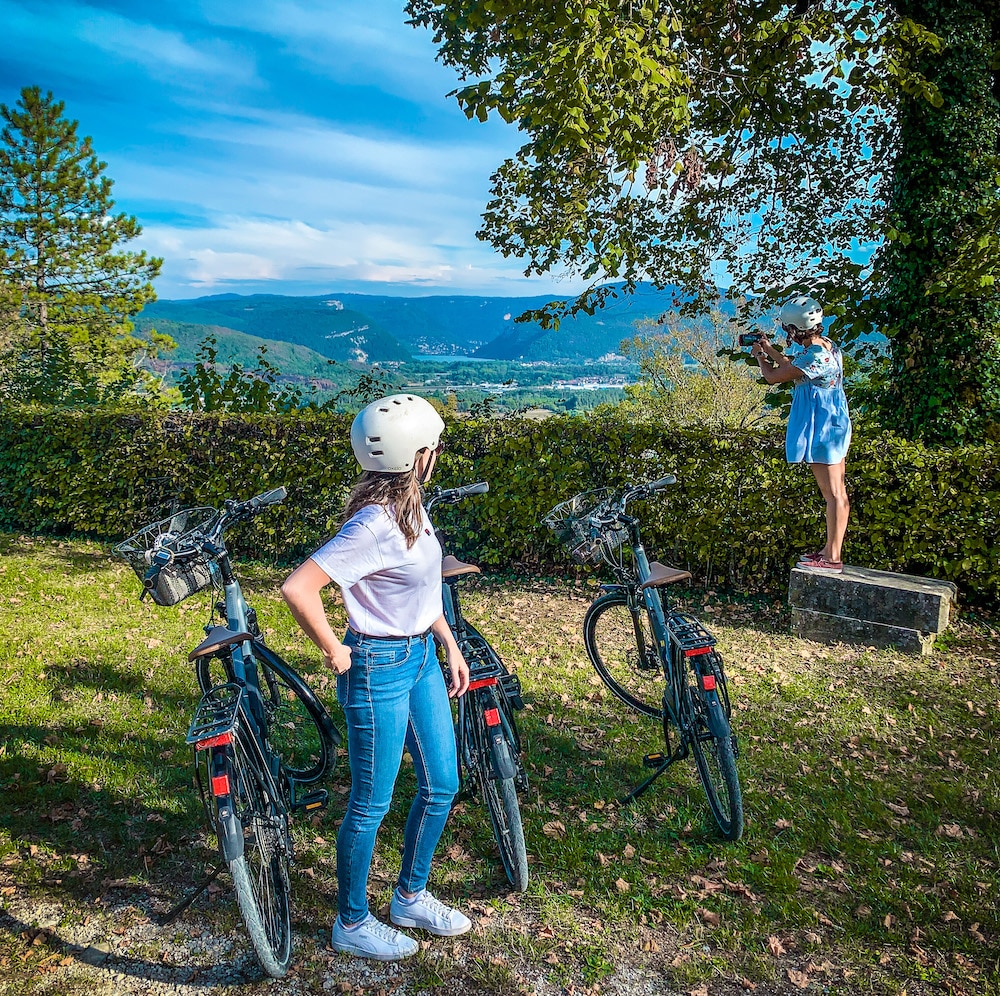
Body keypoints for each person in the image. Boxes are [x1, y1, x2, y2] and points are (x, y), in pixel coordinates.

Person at [281, 393, 471, 962]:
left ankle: (410, 896)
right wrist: (337, 650)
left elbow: (420, 586)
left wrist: (447, 640)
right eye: (432, 448)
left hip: (421, 659)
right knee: (371, 803)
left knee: (442, 783)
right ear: (418, 457)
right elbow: (299, 587)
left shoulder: (411, 509)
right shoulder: (373, 524)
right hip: (379, 667)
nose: (436, 456)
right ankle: (352, 921)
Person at [750, 296, 852, 574]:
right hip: (833, 421)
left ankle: (832, 557)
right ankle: (829, 551)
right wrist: (769, 349)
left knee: (832, 493)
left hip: (823, 427)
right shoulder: (826, 347)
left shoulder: (815, 356)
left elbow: (774, 376)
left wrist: (760, 356)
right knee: (837, 492)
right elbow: (794, 366)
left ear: (795, 329)